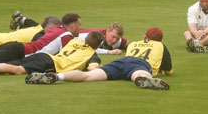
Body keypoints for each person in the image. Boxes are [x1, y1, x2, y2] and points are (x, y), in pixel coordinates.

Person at [24, 27, 171, 91]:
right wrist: (165, 72)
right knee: (138, 73)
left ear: (144, 37)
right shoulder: (160, 46)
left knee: (88, 76)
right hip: (140, 64)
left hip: (120, 62)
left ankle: (57, 77)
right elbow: (168, 70)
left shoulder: (133, 44)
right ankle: (143, 79)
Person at [0, 31, 104, 78]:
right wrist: (100, 64)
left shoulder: (74, 41)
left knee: (8, 64)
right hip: (51, 64)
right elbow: (92, 69)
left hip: (44, 56)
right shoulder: (93, 55)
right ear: (98, 46)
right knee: (17, 70)